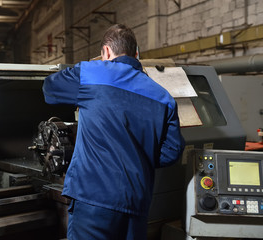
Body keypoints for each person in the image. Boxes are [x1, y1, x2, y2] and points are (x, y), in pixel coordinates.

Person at [42, 24, 185, 240]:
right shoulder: (163, 96)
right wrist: (135, 157)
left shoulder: (92, 73)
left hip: (93, 198)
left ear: (106, 52)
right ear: (137, 54)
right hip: (137, 202)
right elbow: (172, 152)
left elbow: (50, 90)